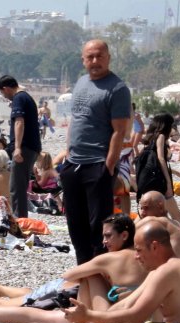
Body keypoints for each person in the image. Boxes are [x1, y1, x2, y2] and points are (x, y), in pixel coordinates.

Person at [0, 215, 144, 321]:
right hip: (65, 289)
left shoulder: (112, 258)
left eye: (108, 236)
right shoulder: (137, 258)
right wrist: (98, 271)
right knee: (10, 304)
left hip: (64, 288)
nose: (104, 241)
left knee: (31, 294)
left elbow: (69, 274)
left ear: (124, 236)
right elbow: (69, 275)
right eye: (104, 236)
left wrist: (97, 270)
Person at [60, 40, 132, 265]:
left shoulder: (117, 88)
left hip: (98, 163)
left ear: (108, 58)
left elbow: (119, 131)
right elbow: (76, 120)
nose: (95, 61)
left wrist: (108, 167)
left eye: (99, 56)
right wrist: (68, 153)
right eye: (90, 57)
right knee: (75, 223)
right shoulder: (81, 82)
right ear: (83, 60)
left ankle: (100, 271)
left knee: (99, 227)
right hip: (73, 163)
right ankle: (83, 269)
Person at [0, 75, 41, 219]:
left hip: (24, 148)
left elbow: (19, 122)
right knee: (20, 186)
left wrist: (17, 147)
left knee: (16, 188)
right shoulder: (26, 97)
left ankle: (19, 221)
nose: (4, 96)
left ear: (6, 89)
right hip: (31, 147)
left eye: (2, 93)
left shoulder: (19, 98)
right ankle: (21, 219)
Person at [137, 113, 179, 220]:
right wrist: (168, 182)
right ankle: (179, 229)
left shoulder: (151, 137)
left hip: (147, 178)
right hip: (157, 179)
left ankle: (134, 228)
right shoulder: (161, 136)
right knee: (176, 216)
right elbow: (161, 159)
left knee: (147, 214)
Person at [135, 191, 180, 262]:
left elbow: (130, 231)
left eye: (146, 208)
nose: (142, 213)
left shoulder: (159, 221)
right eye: (141, 208)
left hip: (174, 266)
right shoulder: (175, 224)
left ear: (160, 207)